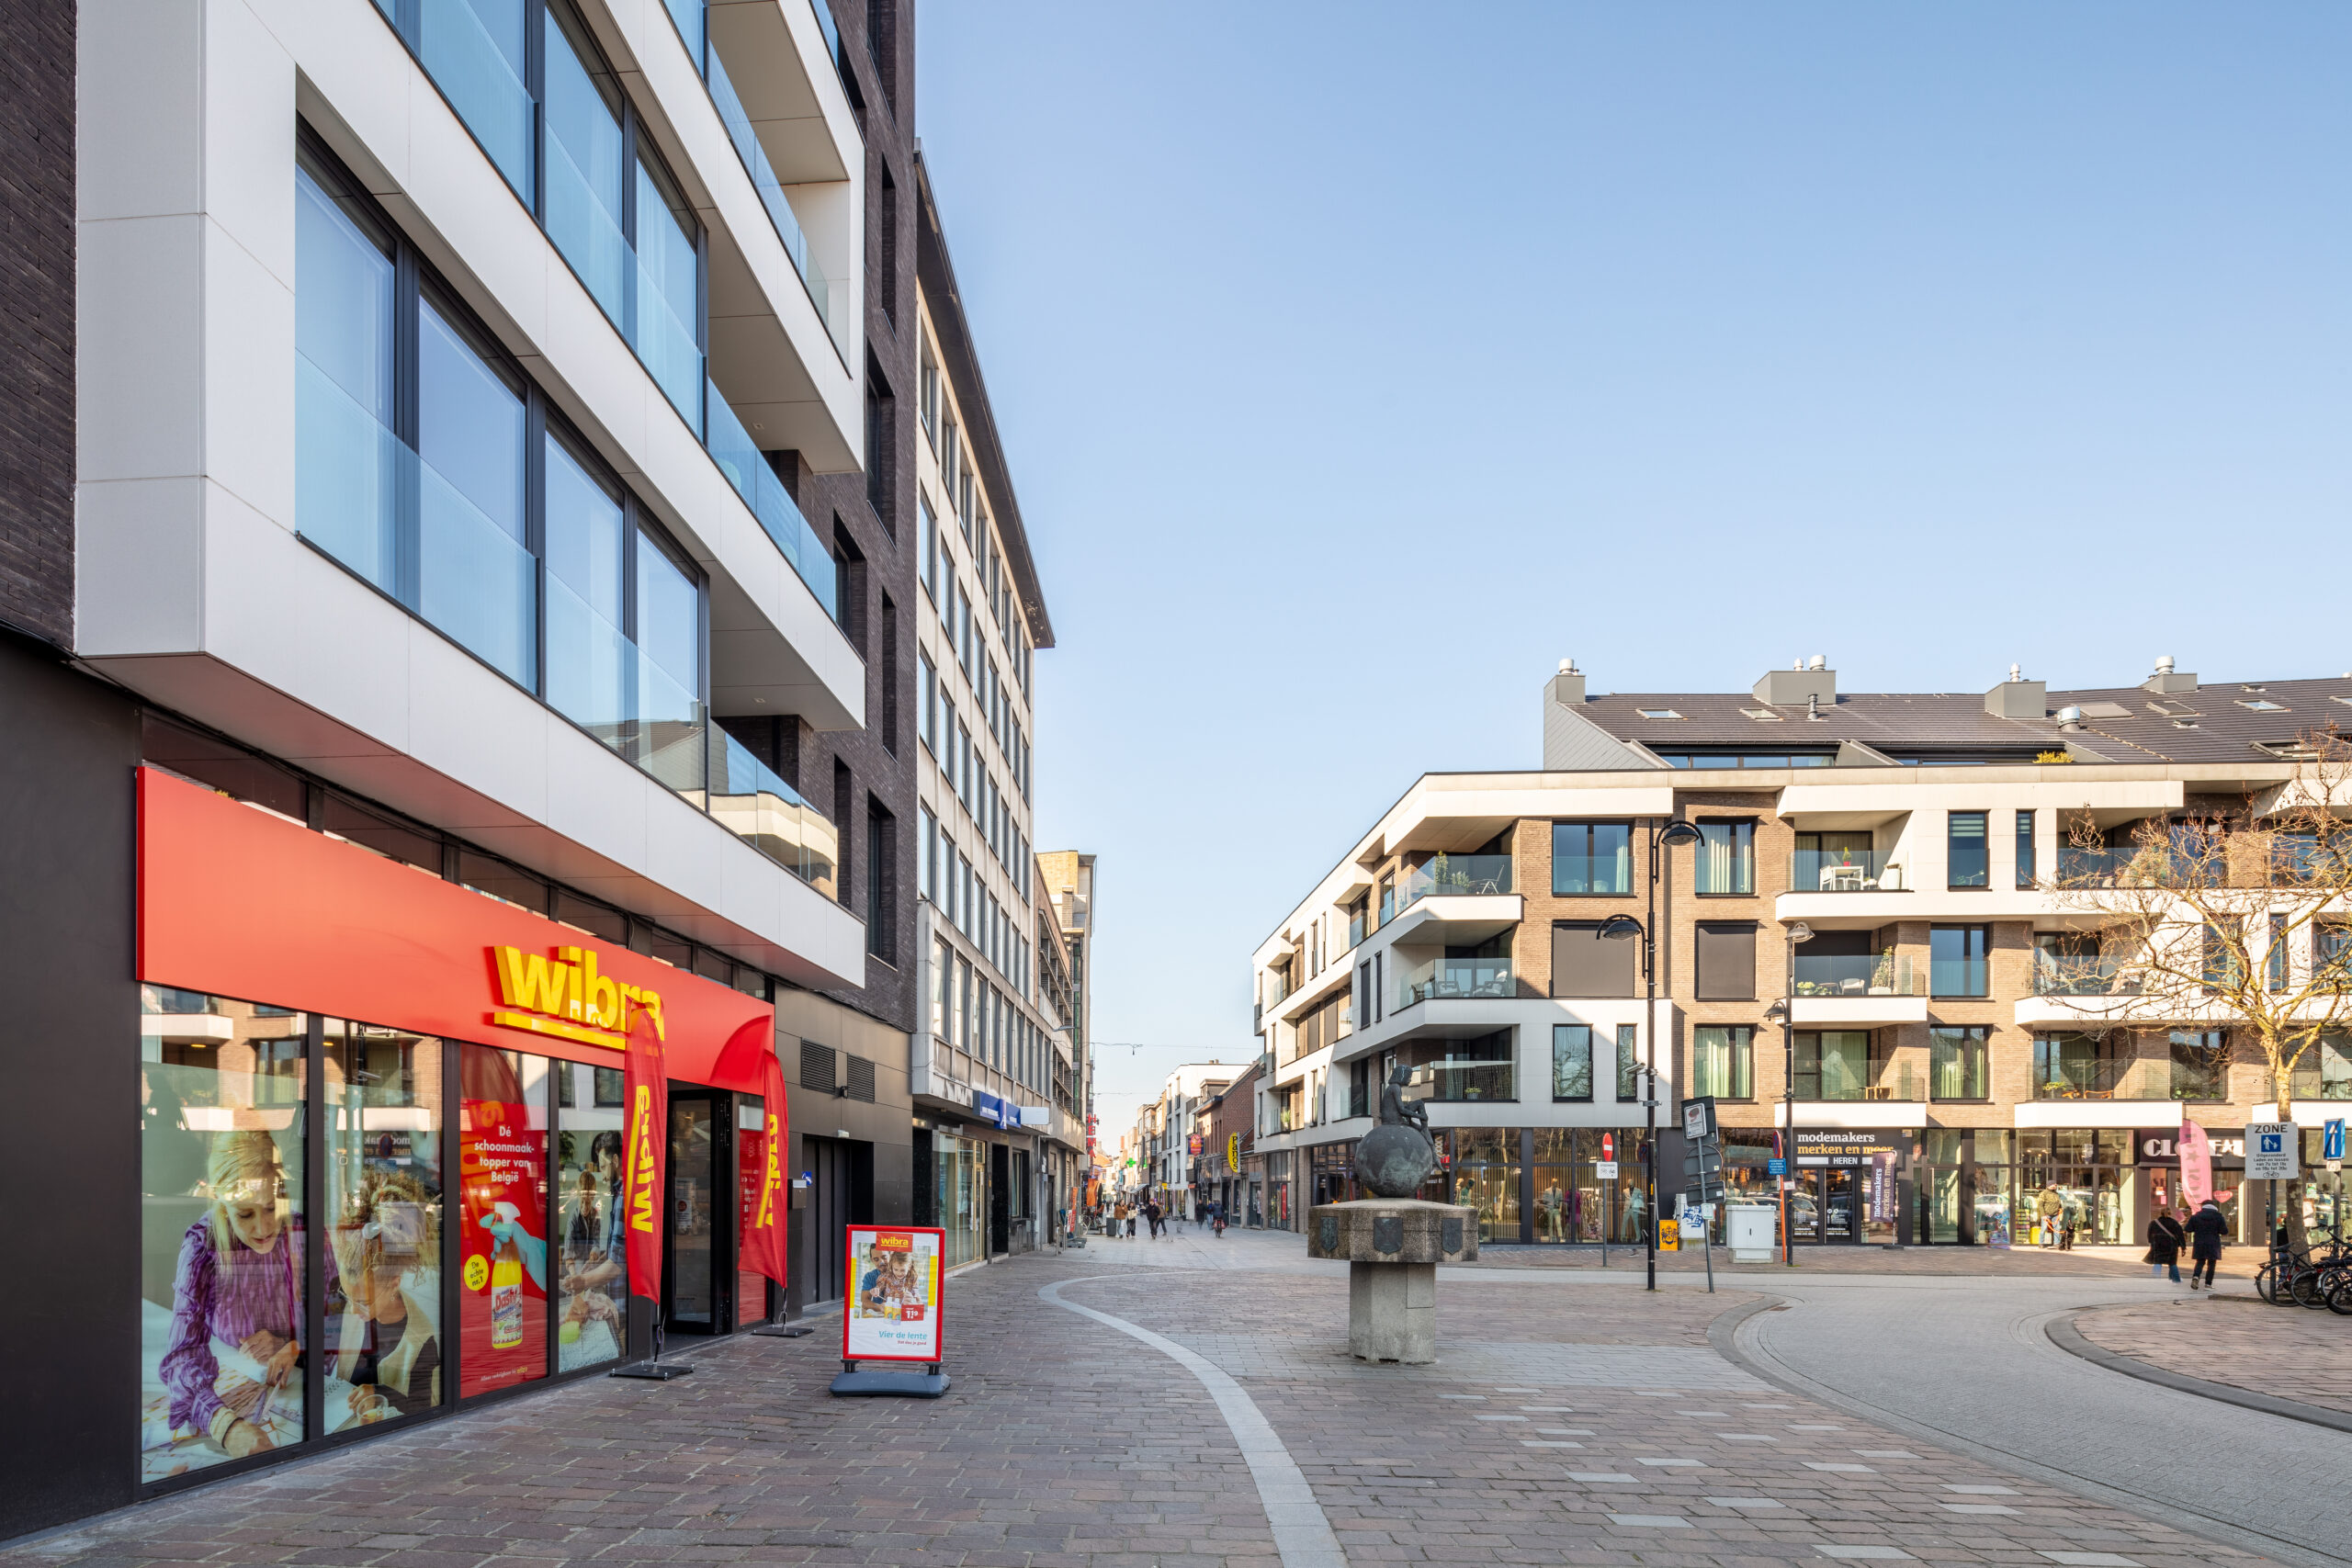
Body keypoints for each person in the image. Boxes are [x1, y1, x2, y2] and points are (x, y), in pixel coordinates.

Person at [160, 1131, 310, 1459]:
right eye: (245, 1214)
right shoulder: (203, 1247)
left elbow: (340, 1316)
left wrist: (296, 1344)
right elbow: (181, 1356)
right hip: (241, 1390)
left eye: (271, 1208)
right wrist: (225, 1426)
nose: (263, 1227)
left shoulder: (301, 1232)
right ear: (223, 1208)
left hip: (304, 1393)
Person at [2184, 1197, 2227, 1289]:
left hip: (2200, 1242)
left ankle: (2196, 1277)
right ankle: (2208, 1284)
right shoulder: (2219, 1217)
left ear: (2203, 1206)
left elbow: (2188, 1229)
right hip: (2213, 1243)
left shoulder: (2196, 1216)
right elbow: (2224, 1231)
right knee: (2211, 1264)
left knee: (2200, 1262)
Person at [2144, 1205, 2186, 1284]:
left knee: (2157, 1262)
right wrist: (2183, 1247)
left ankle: (2155, 1280)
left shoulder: (2154, 1223)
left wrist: (2151, 1243)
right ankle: (2176, 1280)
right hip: (2172, 1246)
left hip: (2158, 1245)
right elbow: (2180, 1235)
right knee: (2172, 1263)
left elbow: (2149, 1234)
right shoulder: (2174, 1223)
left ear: (2160, 1213)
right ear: (2170, 1213)